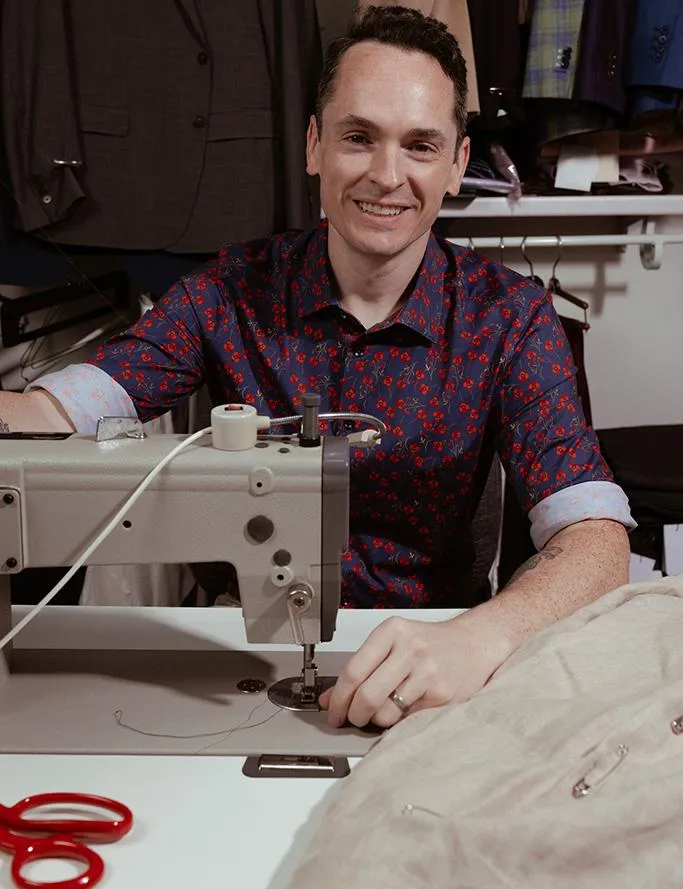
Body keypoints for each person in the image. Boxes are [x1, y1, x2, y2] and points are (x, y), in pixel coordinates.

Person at [1, 6, 633, 729]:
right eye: (358, 138)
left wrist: (479, 634)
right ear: (313, 146)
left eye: (420, 146)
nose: (386, 175)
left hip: (432, 664)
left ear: (458, 164)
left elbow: (596, 542)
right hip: (237, 651)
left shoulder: (508, 318)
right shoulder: (230, 290)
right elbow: (52, 414)